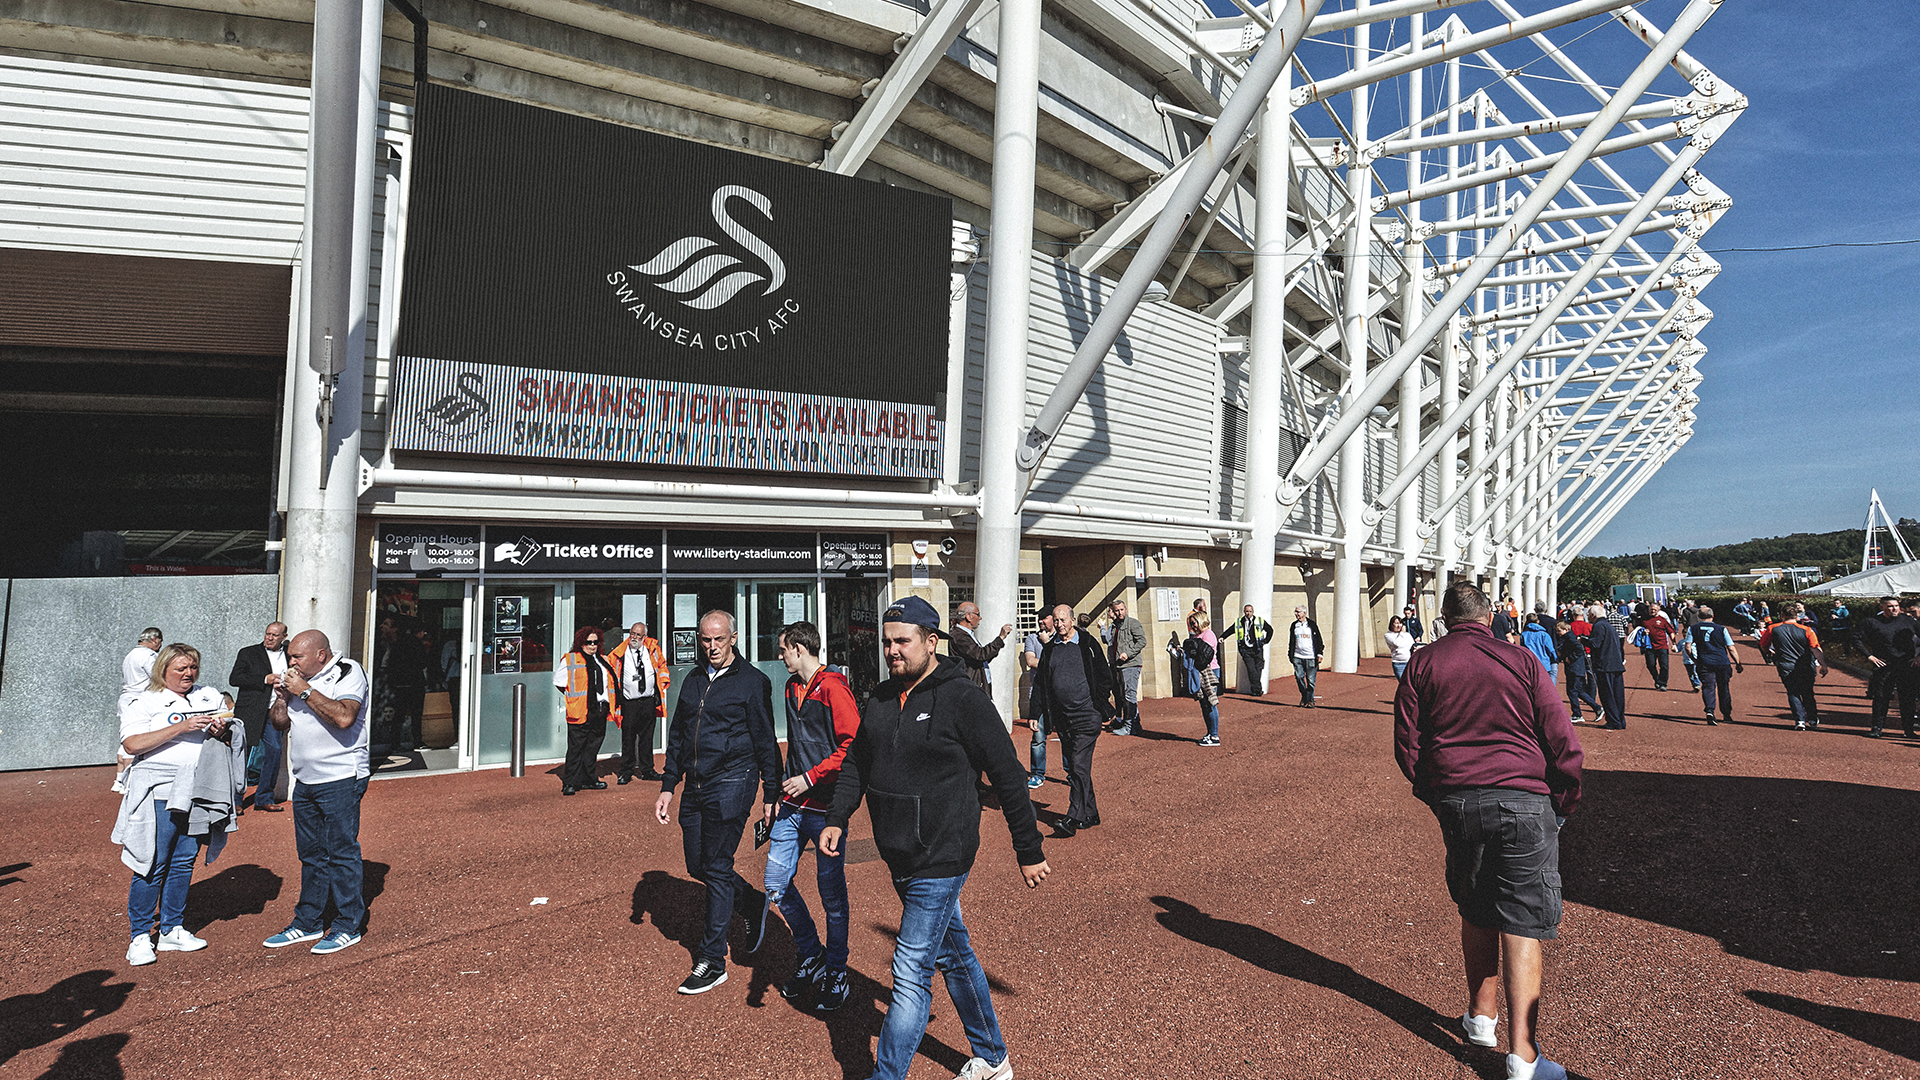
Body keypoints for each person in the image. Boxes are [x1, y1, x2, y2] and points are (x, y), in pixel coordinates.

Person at [820, 595, 1050, 1080]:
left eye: (902, 641)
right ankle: (992, 1058)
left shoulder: (963, 697)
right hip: (898, 852)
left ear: (931, 641)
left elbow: (1007, 774)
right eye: (886, 642)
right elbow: (857, 763)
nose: (892, 651)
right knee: (954, 952)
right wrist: (838, 817)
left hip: (943, 852)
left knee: (909, 972)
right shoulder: (881, 697)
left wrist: (1028, 849)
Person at [1394, 582, 1583, 1080]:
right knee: (1522, 918)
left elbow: (1408, 744)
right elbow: (1560, 734)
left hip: (1458, 796)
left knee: (1475, 903)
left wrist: (1436, 794)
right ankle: (1523, 1056)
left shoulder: (1424, 662)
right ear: (1489, 615)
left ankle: (1481, 1017)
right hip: (1523, 795)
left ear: (1444, 617)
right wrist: (1563, 798)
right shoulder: (1520, 660)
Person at [652, 611, 779, 995]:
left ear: (734, 638)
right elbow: (678, 735)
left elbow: (765, 739)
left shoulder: (752, 682)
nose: (711, 648)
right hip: (695, 783)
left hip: (734, 780)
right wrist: (667, 785)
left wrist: (771, 793)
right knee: (697, 864)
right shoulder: (692, 679)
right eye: (706, 640)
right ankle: (752, 903)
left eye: (719, 640)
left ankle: (711, 960)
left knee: (718, 866)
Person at [112, 643, 244, 967]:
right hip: (159, 787)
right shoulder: (144, 701)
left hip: (200, 786)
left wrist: (221, 729)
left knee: (185, 858)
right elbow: (132, 743)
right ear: (163, 671)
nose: (188, 674)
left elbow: (228, 725)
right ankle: (140, 935)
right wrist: (181, 727)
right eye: (181, 669)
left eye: (192, 668)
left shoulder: (208, 695)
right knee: (153, 859)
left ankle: (172, 928)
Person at [766, 621, 860, 1011]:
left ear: (800, 649)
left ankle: (837, 969)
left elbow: (852, 747)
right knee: (775, 884)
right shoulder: (791, 687)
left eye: (784, 649)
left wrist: (811, 777)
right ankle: (811, 952)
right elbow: (796, 745)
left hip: (825, 808)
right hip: (793, 804)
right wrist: (779, 791)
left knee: (831, 897)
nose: (780, 655)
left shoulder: (834, 688)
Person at [262, 630, 371, 956]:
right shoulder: (295, 681)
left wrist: (305, 691)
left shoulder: (348, 671)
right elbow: (281, 724)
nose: (290, 661)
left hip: (340, 776)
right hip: (305, 780)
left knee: (341, 852)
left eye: (297, 656)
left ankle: (347, 925)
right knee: (311, 855)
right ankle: (308, 922)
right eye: (289, 656)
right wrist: (282, 698)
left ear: (321, 655)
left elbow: (344, 717)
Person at [1035, 603, 1113, 834]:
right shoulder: (1050, 649)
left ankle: (1073, 816)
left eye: (1062, 620)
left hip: (1087, 716)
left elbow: (1104, 677)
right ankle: (1091, 813)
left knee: (1078, 763)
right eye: (1055, 621)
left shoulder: (1088, 643)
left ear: (1072, 620)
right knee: (1076, 767)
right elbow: (1041, 683)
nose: (1059, 625)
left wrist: (1097, 705)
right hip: (1064, 718)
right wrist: (1035, 713)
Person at [229, 621, 289, 811]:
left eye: (274, 635)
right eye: (267, 634)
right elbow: (235, 679)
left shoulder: (289, 654)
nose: (269, 638)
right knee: (241, 754)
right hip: (250, 711)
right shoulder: (248, 653)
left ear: (283, 637)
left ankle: (264, 798)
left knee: (274, 750)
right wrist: (265, 679)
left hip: (275, 710)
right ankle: (236, 800)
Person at [553, 626, 620, 796]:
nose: (592, 646)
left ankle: (589, 779)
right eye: (588, 642)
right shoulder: (571, 659)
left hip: (600, 709)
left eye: (595, 642)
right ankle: (570, 782)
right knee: (576, 748)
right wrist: (574, 698)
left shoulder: (603, 660)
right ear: (581, 643)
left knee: (592, 747)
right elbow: (559, 682)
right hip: (580, 710)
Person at [608, 621, 670, 784]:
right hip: (629, 702)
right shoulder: (620, 653)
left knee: (647, 737)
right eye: (632, 633)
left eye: (638, 635)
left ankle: (647, 769)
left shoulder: (653, 649)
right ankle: (626, 771)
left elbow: (662, 666)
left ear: (645, 637)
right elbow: (610, 673)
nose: (634, 637)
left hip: (648, 700)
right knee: (628, 737)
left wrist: (663, 682)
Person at [1855, 596, 1918, 739]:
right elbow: (1855, 638)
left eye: (1896, 605)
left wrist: (1918, 656)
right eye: (1890, 606)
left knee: (1907, 699)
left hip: (1906, 665)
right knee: (1881, 698)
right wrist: (1869, 656)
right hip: (1884, 666)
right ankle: (1877, 728)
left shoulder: (1908, 621)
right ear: (1882, 607)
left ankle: (1909, 730)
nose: (1894, 608)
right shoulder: (1871, 622)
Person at [1757, 603, 1827, 731]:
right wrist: (1823, 664)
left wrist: (1768, 652)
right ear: (1797, 616)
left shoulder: (1773, 628)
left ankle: (1799, 719)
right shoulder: (1807, 630)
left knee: (1793, 692)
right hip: (1805, 665)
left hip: (1785, 664)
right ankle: (1812, 717)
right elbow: (1815, 648)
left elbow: (1763, 644)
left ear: (1782, 615)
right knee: (1807, 692)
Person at [114, 627, 164, 791]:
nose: (161, 645)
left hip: (126, 699)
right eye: (160, 641)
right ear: (155, 639)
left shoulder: (130, 654)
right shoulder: (149, 656)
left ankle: (119, 780)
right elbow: (157, 678)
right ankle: (130, 783)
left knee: (125, 738)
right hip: (139, 700)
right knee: (137, 740)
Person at [1686, 606, 1743, 726]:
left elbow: (1688, 647)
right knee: (1724, 688)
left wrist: (1694, 659)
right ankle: (1726, 714)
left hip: (1704, 662)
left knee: (1708, 687)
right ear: (1712, 616)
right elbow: (1731, 647)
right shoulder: (1721, 629)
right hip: (1722, 661)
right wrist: (1738, 662)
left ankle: (1710, 710)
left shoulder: (1693, 628)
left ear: (1699, 616)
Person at [947, 601, 1012, 698]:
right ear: (968, 616)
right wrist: (1000, 638)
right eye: (978, 614)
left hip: (977, 685)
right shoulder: (959, 636)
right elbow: (980, 655)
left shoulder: (967, 634)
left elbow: (980, 658)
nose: (980, 618)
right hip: (969, 687)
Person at [1020, 611, 1055, 789]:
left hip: (1059, 694)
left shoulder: (1060, 637)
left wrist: (1048, 645)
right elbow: (1031, 661)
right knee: (1038, 737)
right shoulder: (1032, 638)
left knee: (1067, 736)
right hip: (1039, 694)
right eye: (1039, 618)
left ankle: (1072, 773)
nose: (1041, 621)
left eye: (1045, 618)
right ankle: (1037, 773)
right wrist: (1054, 663)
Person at [1105, 599, 1147, 733]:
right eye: (1116, 610)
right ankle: (1135, 725)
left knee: (1129, 695)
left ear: (1126, 609)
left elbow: (1142, 641)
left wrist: (1127, 653)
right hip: (1119, 665)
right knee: (1125, 696)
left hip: (1131, 664)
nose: (1119, 613)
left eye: (1121, 610)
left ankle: (1129, 726)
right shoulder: (1115, 626)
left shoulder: (1132, 623)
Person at [1181, 616, 1222, 746]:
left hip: (1209, 671)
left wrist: (1194, 651)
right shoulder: (1196, 636)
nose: (1193, 625)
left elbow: (1206, 655)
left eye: (1194, 622)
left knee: (1210, 702)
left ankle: (1214, 736)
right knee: (1203, 703)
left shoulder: (1208, 635)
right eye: (1191, 623)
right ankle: (1210, 733)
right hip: (1199, 671)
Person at [1585, 604, 1626, 730]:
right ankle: (1619, 720)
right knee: (1618, 694)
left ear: (1593, 615)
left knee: (1607, 694)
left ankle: (1613, 720)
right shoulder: (1609, 626)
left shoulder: (1598, 626)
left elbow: (1595, 644)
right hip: (1615, 664)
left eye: (1589, 615)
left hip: (1605, 665)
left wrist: (1583, 640)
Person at [1556, 619, 1602, 724]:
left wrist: (1569, 658)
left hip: (1575, 668)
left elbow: (1579, 649)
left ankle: (1578, 714)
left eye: (1559, 631)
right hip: (1575, 668)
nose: (1558, 633)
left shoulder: (1569, 638)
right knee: (1578, 691)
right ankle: (1596, 708)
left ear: (1566, 630)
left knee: (1572, 691)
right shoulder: (1567, 637)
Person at [1222, 603, 1274, 696]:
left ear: (1253, 612)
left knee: (1258, 668)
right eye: (1247, 611)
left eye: (1250, 611)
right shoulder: (1239, 622)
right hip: (1246, 649)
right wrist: (1222, 637)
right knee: (1251, 670)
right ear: (1244, 612)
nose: (1248, 613)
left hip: (1257, 648)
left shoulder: (1259, 621)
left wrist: (1265, 641)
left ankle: (1256, 689)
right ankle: (1257, 690)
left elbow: (1270, 630)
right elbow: (1230, 630)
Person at [1287, 606, 1325, 707]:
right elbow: (1291, 641)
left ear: (1304, 613)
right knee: (1299, 677)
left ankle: (1310, 701)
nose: (1296, 614)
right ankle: (1305, 696)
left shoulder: (1311, 625)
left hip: (1310, 656)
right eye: (1295, 612)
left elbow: (1319, 640)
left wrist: (1320, 653)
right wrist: (1290, 654)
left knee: (1311, 680)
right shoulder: (1294, 625)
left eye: (1298, 612)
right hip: (1297, 656)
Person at [1637, 605, 1676, 692]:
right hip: (1649, 646)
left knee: (1664, 665)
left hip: (1662, 645)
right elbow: (1637, 629)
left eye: (1655, 609)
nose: (1653, 611)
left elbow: (1671, 631)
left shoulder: (1662, 620)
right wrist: (1642, 631)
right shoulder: (1644, 619)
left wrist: (1674, 643)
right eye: (1651, 609)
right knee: (1650, 665)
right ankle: (1656, 679)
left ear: (1658, 610)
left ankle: (1663, 683)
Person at [1673, 599, 1703, 691]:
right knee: (1690, 673)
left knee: (1695, 672)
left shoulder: (1685, 610)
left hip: (1693, 659)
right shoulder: (1697, 610)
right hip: (1696, 629)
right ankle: (1695, 684)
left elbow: (1684, 619)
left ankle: (1697, 683)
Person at [1521, 616, 1557, 682]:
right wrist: (1554, 658)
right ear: (1538, 622)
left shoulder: (1524, 634)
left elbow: (1523, 649)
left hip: (1530, 662)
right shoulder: (1544, 635)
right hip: (1544, 663)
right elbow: (1550, 649)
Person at [1384, 616, 1415, 680]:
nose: (1399, 626)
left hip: (1409, 662)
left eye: (1400, 623)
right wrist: (1401, 633)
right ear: (1392, 624)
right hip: (1398, 663)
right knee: (1403, 684)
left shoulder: (1407, 635)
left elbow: (1412, 645)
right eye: (1397, 623)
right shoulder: (1388, 635)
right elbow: (1397, 644)